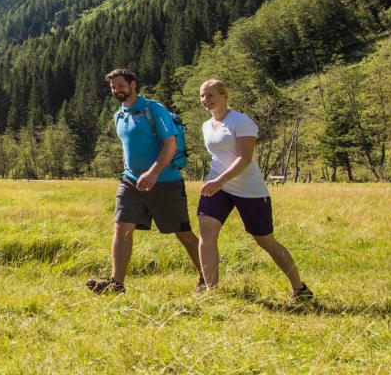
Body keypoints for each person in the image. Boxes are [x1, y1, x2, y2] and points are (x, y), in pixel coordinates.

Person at [86, 69, 204, 294]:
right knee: (122, 229)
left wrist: (153, 173)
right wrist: (130, 172)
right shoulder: (119, 115)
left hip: (165, 180)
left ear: (133, 84)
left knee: (183, 234)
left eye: (120, 85)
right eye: (112, 87)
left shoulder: (154, 109)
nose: (116, 90)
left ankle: (206, 278)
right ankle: (116, 284)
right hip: (130, 181)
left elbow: (170, 145)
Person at [194, 79, 312, 300]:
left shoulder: (241, 122)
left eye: (210, 95)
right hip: (218, 185)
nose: (205, 100)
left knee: (265, 240)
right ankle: (211, 290)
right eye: (202, 96)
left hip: (249, 189)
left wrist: (220, 180)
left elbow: (245, 158)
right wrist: (217, 182)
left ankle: (300, 289)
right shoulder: (206, 126)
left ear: (224, 96)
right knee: (207, 230)